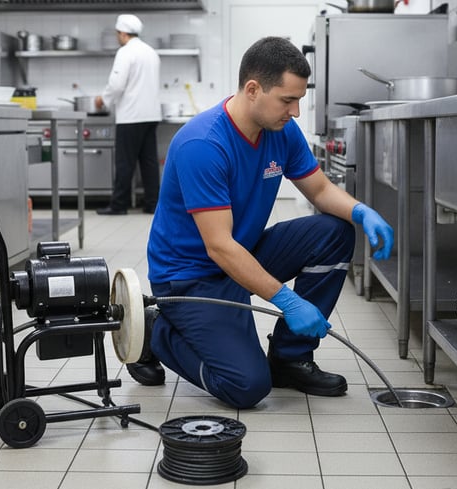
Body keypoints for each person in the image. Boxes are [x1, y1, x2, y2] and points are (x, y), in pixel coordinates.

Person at [132, 36, 393, 410]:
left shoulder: (280, 131)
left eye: (299, 99)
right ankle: (156, 330)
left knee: (333, 232)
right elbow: (218, 246)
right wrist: (286, 300)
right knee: (246, 387)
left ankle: (289, 358)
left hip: (242, 251)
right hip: (191, 276)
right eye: (288, 100)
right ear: (253, 89)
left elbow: (319, 190)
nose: (296, 112)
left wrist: (361, 211)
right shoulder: (203, 145)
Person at [95, 14, 161, 215]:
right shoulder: (151, 53)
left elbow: (116, 85)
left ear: (122, 33)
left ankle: (119, 205)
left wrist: (103, 100)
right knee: (149, 162)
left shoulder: (125, 53)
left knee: (125, 162)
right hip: (151, 115)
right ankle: (152, 204)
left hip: (131, 115)